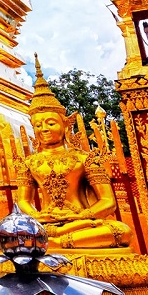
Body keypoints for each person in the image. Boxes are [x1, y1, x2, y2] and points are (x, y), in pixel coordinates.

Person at [15, 56, 132, 250]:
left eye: (51, 123)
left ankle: (57, 244)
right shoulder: (29, 163)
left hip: (83, 222)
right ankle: (53, 240)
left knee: (120, 232)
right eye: (37, 125)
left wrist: (82, 216)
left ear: (65, 124)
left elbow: (108, 202)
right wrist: (37, 216)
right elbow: (23, 202)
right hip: (46, 224)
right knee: (12, 233)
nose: (44, 128)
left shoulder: (84, 159)